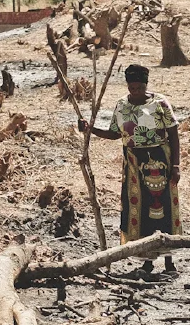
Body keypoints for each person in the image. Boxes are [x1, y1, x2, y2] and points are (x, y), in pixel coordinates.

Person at [78, 64, 182, 272]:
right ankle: (147, 259)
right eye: (132, 88)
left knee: (164, 208)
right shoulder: (122, 105)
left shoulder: (160, 103)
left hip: (160, 161)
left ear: (146, 85)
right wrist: (90, 129)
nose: (136, 91)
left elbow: (173, 134)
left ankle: (169, 261)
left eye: (139, 88)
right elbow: (115, 134)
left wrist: (176, 166)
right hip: (134, 164)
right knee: (140, 208)